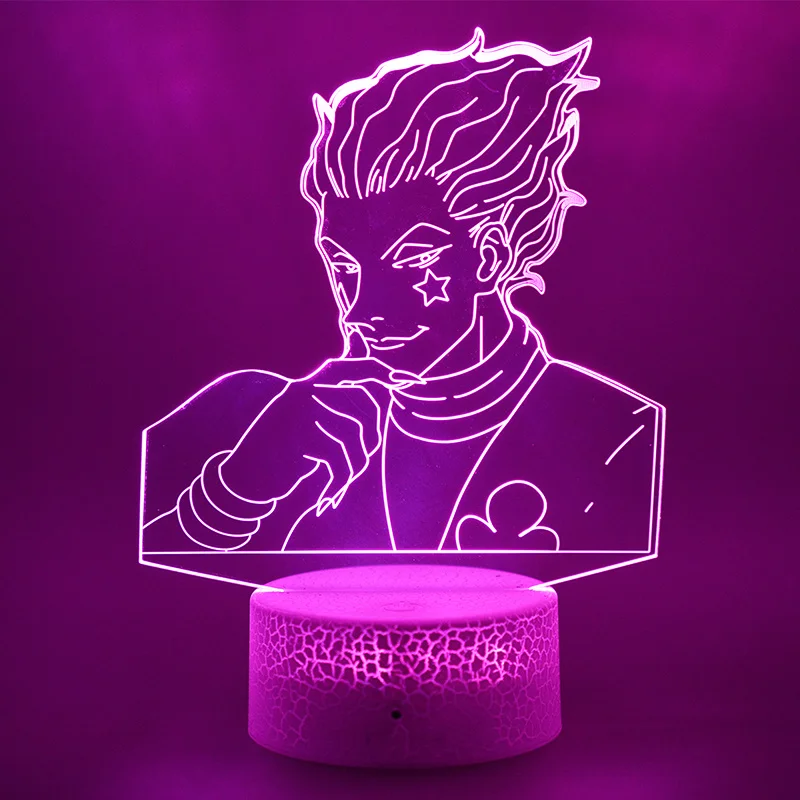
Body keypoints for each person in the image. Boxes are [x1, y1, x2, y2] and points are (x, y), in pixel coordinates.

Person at [141, 30, 664, 574]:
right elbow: (134, 595)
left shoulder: (617, 435)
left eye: (411, 260)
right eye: (345, 267)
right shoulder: (251, 416)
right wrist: (232, 495)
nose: (359, 311)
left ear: (489, 254)